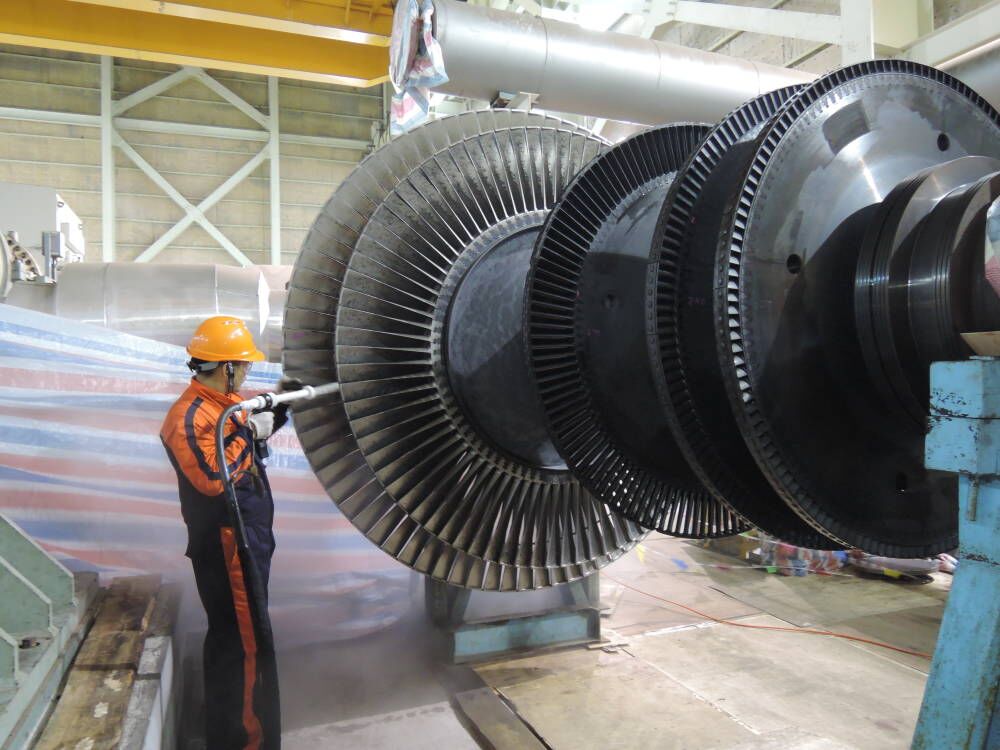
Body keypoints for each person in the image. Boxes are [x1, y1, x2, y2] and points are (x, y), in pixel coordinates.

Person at [160, 315, 287, 750]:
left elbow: (245, 440)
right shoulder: (188, 416)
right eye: (244, 363)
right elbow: (214, 477)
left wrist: (280, 405)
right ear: (226, 366)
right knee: (244, 646)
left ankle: (230, 735)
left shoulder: (224, 402)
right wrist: (249, 431)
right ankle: (245, 741)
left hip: (247, 539)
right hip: (228, 547)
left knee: (238, 639)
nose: (249, 371)